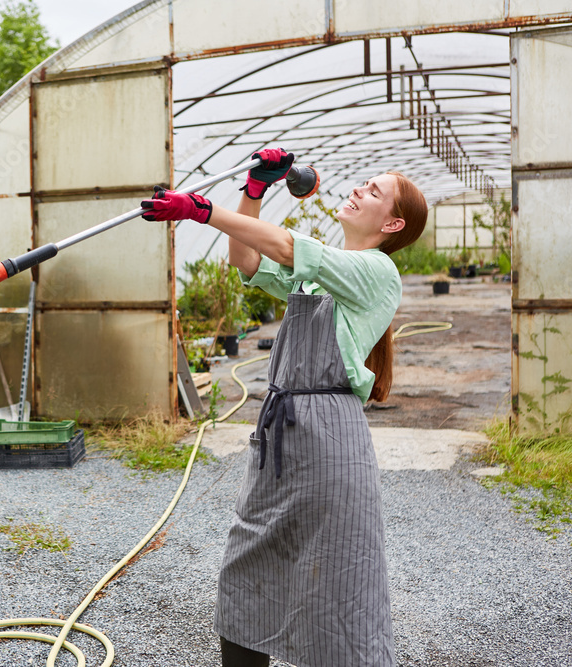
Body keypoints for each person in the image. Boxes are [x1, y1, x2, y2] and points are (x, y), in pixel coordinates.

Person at [141, 148, 428, 667]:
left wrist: (200, 210)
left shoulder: (377, 271)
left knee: (338, 579)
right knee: (247, 566)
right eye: (363, 180)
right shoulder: (314, 275)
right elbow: (246, 259)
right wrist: (252, 191)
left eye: (374, 189)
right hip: (279, 435)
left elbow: (289, 245)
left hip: (330, 443)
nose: (360, 188)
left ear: (392, 222)